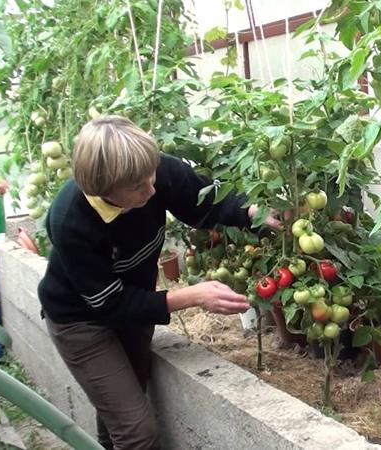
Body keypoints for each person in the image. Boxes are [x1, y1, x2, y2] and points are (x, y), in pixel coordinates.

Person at [37, 115, 279, 450]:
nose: (152, 190)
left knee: (121, 418)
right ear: (103, 188)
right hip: (82, 322)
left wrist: (252, 211)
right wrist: (192, 296)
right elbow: (110, 304)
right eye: (137, 187)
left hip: (135, 309)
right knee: (137, 432)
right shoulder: (72, 221)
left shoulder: (152, 172)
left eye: (151, 176)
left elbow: (203, 204)